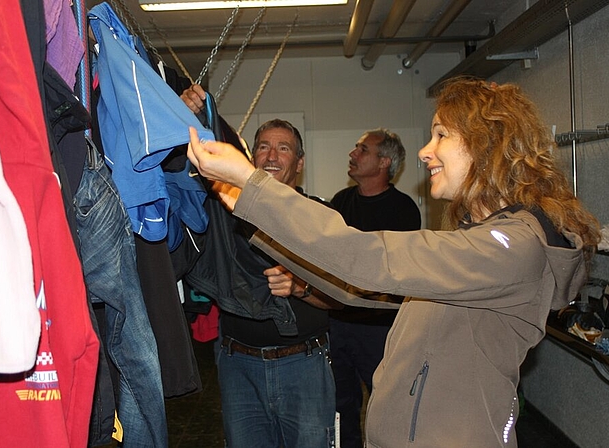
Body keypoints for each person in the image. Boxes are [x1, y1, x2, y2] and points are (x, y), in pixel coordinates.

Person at [185, 77, 601, 447]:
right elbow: (366, 287)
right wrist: (256, 213)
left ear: (485, 143)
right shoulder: (484, 241)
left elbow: (369, 259)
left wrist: (252, 184)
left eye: (441, 135)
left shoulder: (511, 246)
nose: (425, 151)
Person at [182, 85, 338, 448]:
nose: (271, 155)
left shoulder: (323, 217)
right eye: (263, 147)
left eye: (283, 148)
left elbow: (343, 299)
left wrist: (302, 288)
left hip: (305, 367)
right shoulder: (227, 209)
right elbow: (187, 169)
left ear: (299, 162)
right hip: (239, 366)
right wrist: (187, 118)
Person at [329, 128, 421, 448]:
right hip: (338, 323)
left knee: (386, 407)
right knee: (341, 407)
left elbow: (399, 273)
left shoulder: (404, 209)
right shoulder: (340, 202)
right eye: (355, 148)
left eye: (362, 149)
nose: (353, 154)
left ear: (384, 162)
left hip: (380, 329)